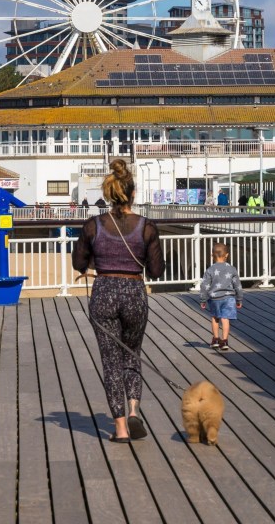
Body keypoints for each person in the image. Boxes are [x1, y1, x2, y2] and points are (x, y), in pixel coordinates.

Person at [72, 158, 165, 443]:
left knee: (110, 361)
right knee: (132, 354)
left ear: (108, 195)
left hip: (104, 292)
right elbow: (157, 271)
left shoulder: (93, 225)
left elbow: (78, 263)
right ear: (133, 193)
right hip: (134, 292)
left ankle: (121, 428)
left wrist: (94, 263)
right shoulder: (146, 227)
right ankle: (134, 409)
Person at [200, 242, 243, 352]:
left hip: (215, 298)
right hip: (229, 298)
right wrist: (239, 299)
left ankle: (215, 339)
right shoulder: (232, 269)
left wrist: (203, 299)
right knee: (225, 318)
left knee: (215, 317)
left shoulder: (210, 269)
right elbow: (237, 285)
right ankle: (224, 341)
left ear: (212, 255)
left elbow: (204, 285)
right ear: (227, 255)